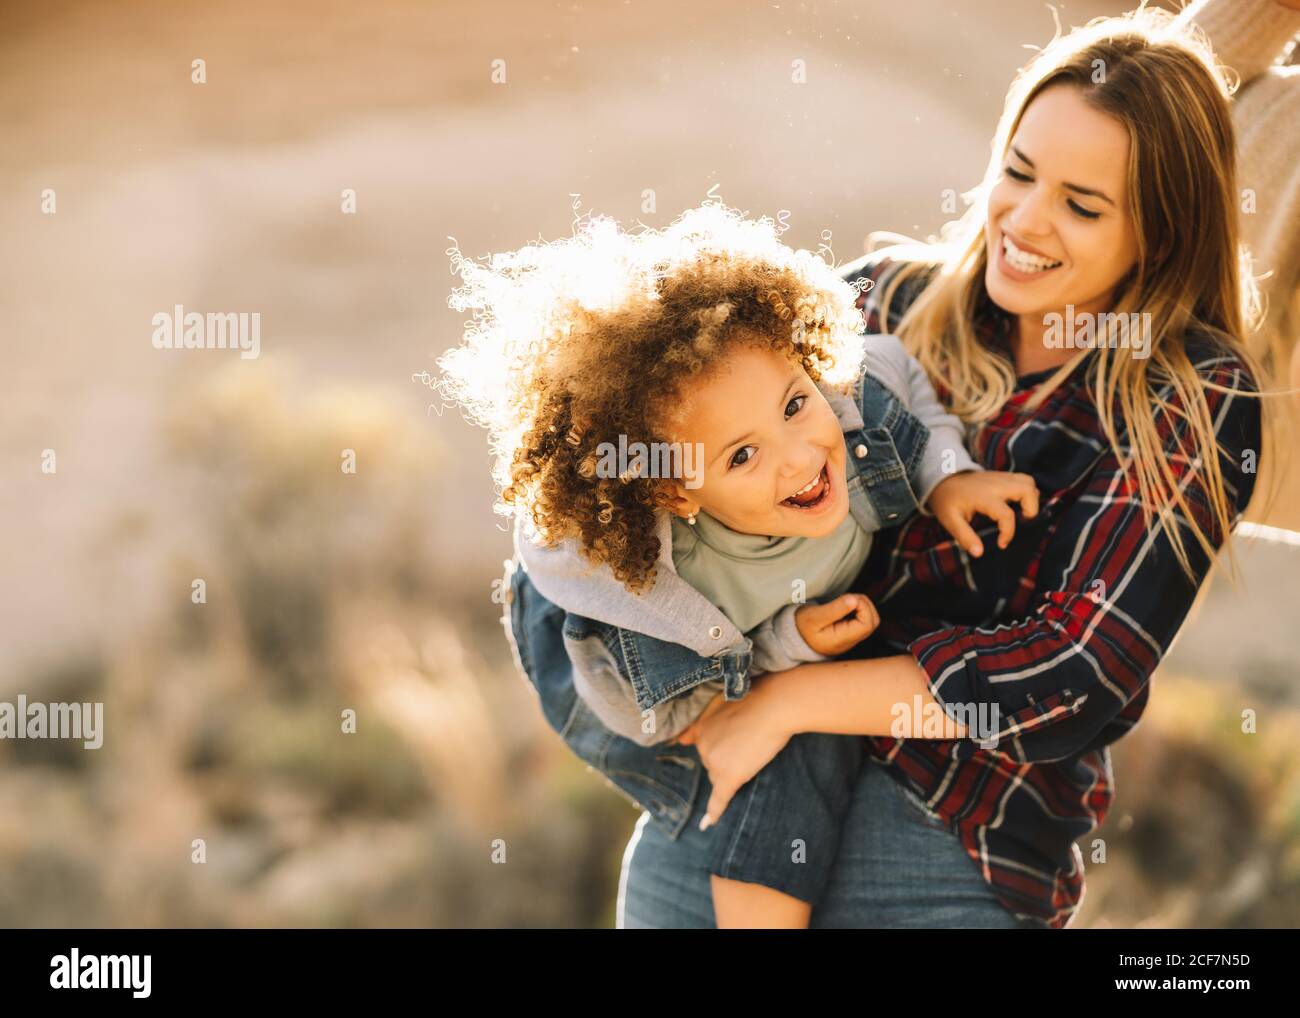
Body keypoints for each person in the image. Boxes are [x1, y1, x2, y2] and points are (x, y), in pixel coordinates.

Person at [623, 3, 1274, 928]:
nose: (1027, 220)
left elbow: (1071, 677)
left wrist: (795, 702)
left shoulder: (1191, 390)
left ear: (1163, 232)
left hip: (951, 837)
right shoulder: (881, 300)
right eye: (1019, 171)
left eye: (1082, 206)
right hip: (722, 808)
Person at [437, 201, 1037, 927]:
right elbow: (690, 709)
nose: (799, 458)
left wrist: (946, 474)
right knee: (777, 753)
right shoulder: (662, 600)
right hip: (627, 682)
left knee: (812, 717)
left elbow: (901, 370)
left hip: (742, 635)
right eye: (742, 455)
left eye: (792, 404)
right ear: (674, 489)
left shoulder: (854, 412)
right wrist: (790, 646)